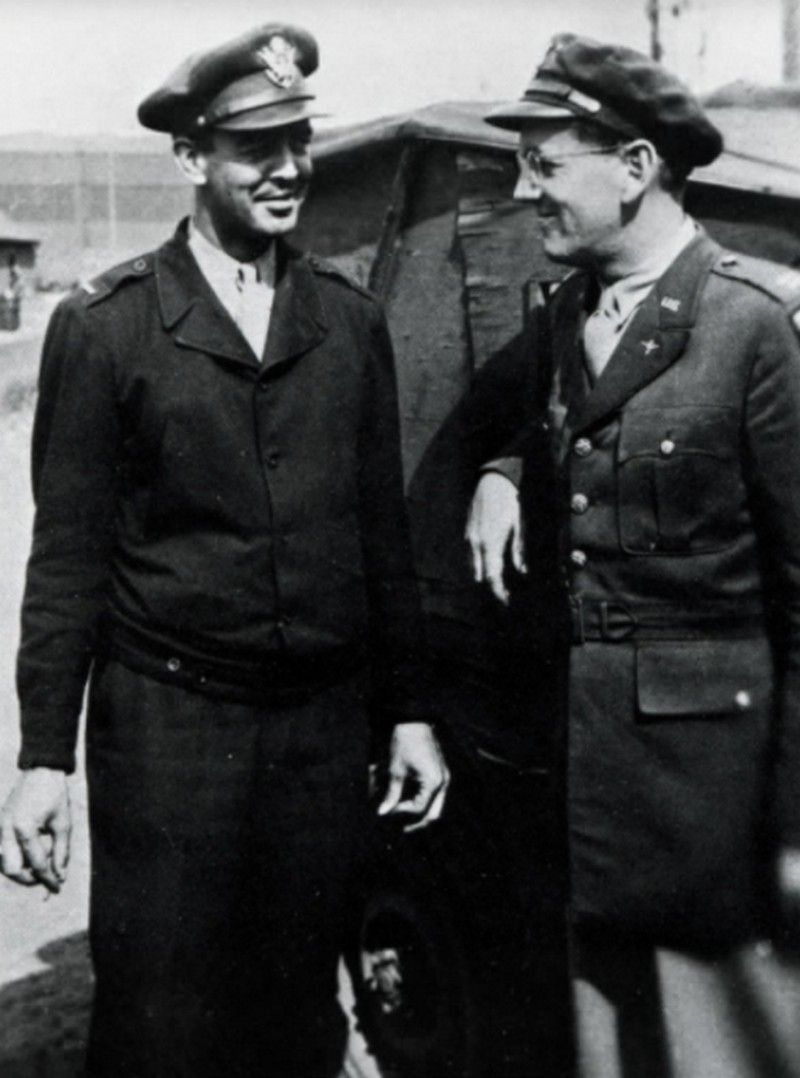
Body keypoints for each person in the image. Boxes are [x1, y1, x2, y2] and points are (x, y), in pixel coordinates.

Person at [0, 22, 448, 1078]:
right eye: (256, 148)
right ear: (191, 157)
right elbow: (65, 562)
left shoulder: (348, 322)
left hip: (317, 736)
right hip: (170, 733)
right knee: (159, 1024)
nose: (288, 168)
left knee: (295, 1016)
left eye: (298, 141)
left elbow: (381, 539)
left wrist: (409, 711)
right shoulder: (107, 326)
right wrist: (43, 760)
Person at [466, 34, 800, 1076]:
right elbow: (570, 434)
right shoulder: (569, 314)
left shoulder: (756, 324)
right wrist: (504, 473)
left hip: (718, 807)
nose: (524, 191)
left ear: (635, 166)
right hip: (594, 784)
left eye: (543, 164)